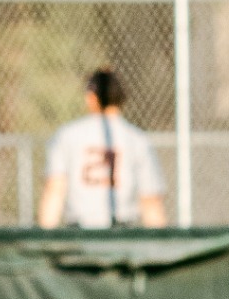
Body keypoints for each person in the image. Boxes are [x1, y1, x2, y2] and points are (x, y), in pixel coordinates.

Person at [37, 70, 168, 229]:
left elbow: (55, 190)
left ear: (91, 97)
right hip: (122, 234)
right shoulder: (137, 139)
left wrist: (46, 241)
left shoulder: (67, 135)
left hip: (80, 234)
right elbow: (150, 202)